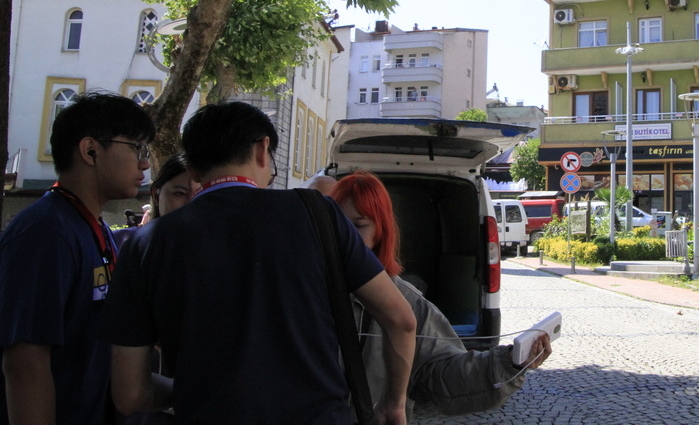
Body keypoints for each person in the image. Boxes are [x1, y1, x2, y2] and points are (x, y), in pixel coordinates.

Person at [102, 102, 416, 423]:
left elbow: (129, 395)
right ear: (263, 150)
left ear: (194, 170)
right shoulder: (317, 214)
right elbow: (401, 320)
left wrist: (192, 392)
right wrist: (394, 404)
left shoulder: (144, 245)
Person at [326, 171, 552, 419]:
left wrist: (511, 363)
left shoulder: (406, 302)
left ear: (380, 231)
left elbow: (447, 374)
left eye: (358, 226)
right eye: (338, 226)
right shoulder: (306, 290)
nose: (345, 238)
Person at [0, 90, 155, 424]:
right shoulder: (45, 233)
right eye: (137, 149)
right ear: (90, 150)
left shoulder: (94, 229)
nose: (145, 163)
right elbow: (26, 363)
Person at [112, 154, 197, 249]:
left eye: (200, 194)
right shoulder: (121, 243)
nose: (191, 203)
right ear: (156, 195)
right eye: (180, 194)